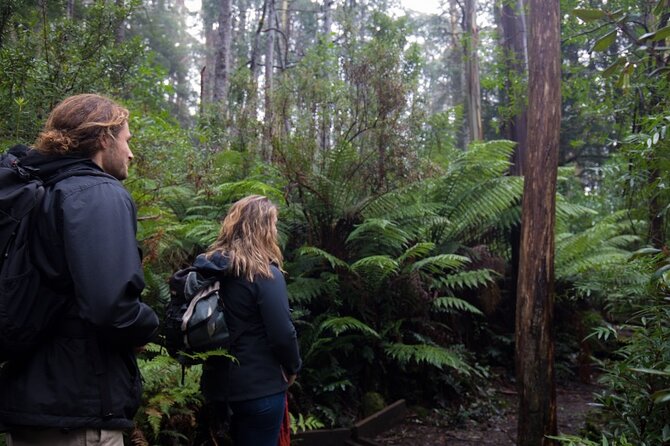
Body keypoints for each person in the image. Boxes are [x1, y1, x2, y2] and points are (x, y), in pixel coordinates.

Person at [0, 94, 159, 446]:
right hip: (79, 410)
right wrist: (150, 324)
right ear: (105, 138)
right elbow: (111, 309)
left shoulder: (41, 189)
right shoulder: (97, 192)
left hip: (30, 400)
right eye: (127, 140)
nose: (131, 153)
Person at [194, 195, 302, 446]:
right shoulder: (265, 274)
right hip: (259, 390)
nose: (275, 231)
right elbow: (283, 333)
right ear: (262, 229)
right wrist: (293, 367)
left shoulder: (211, 269)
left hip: (216, 389)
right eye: (273, 225)